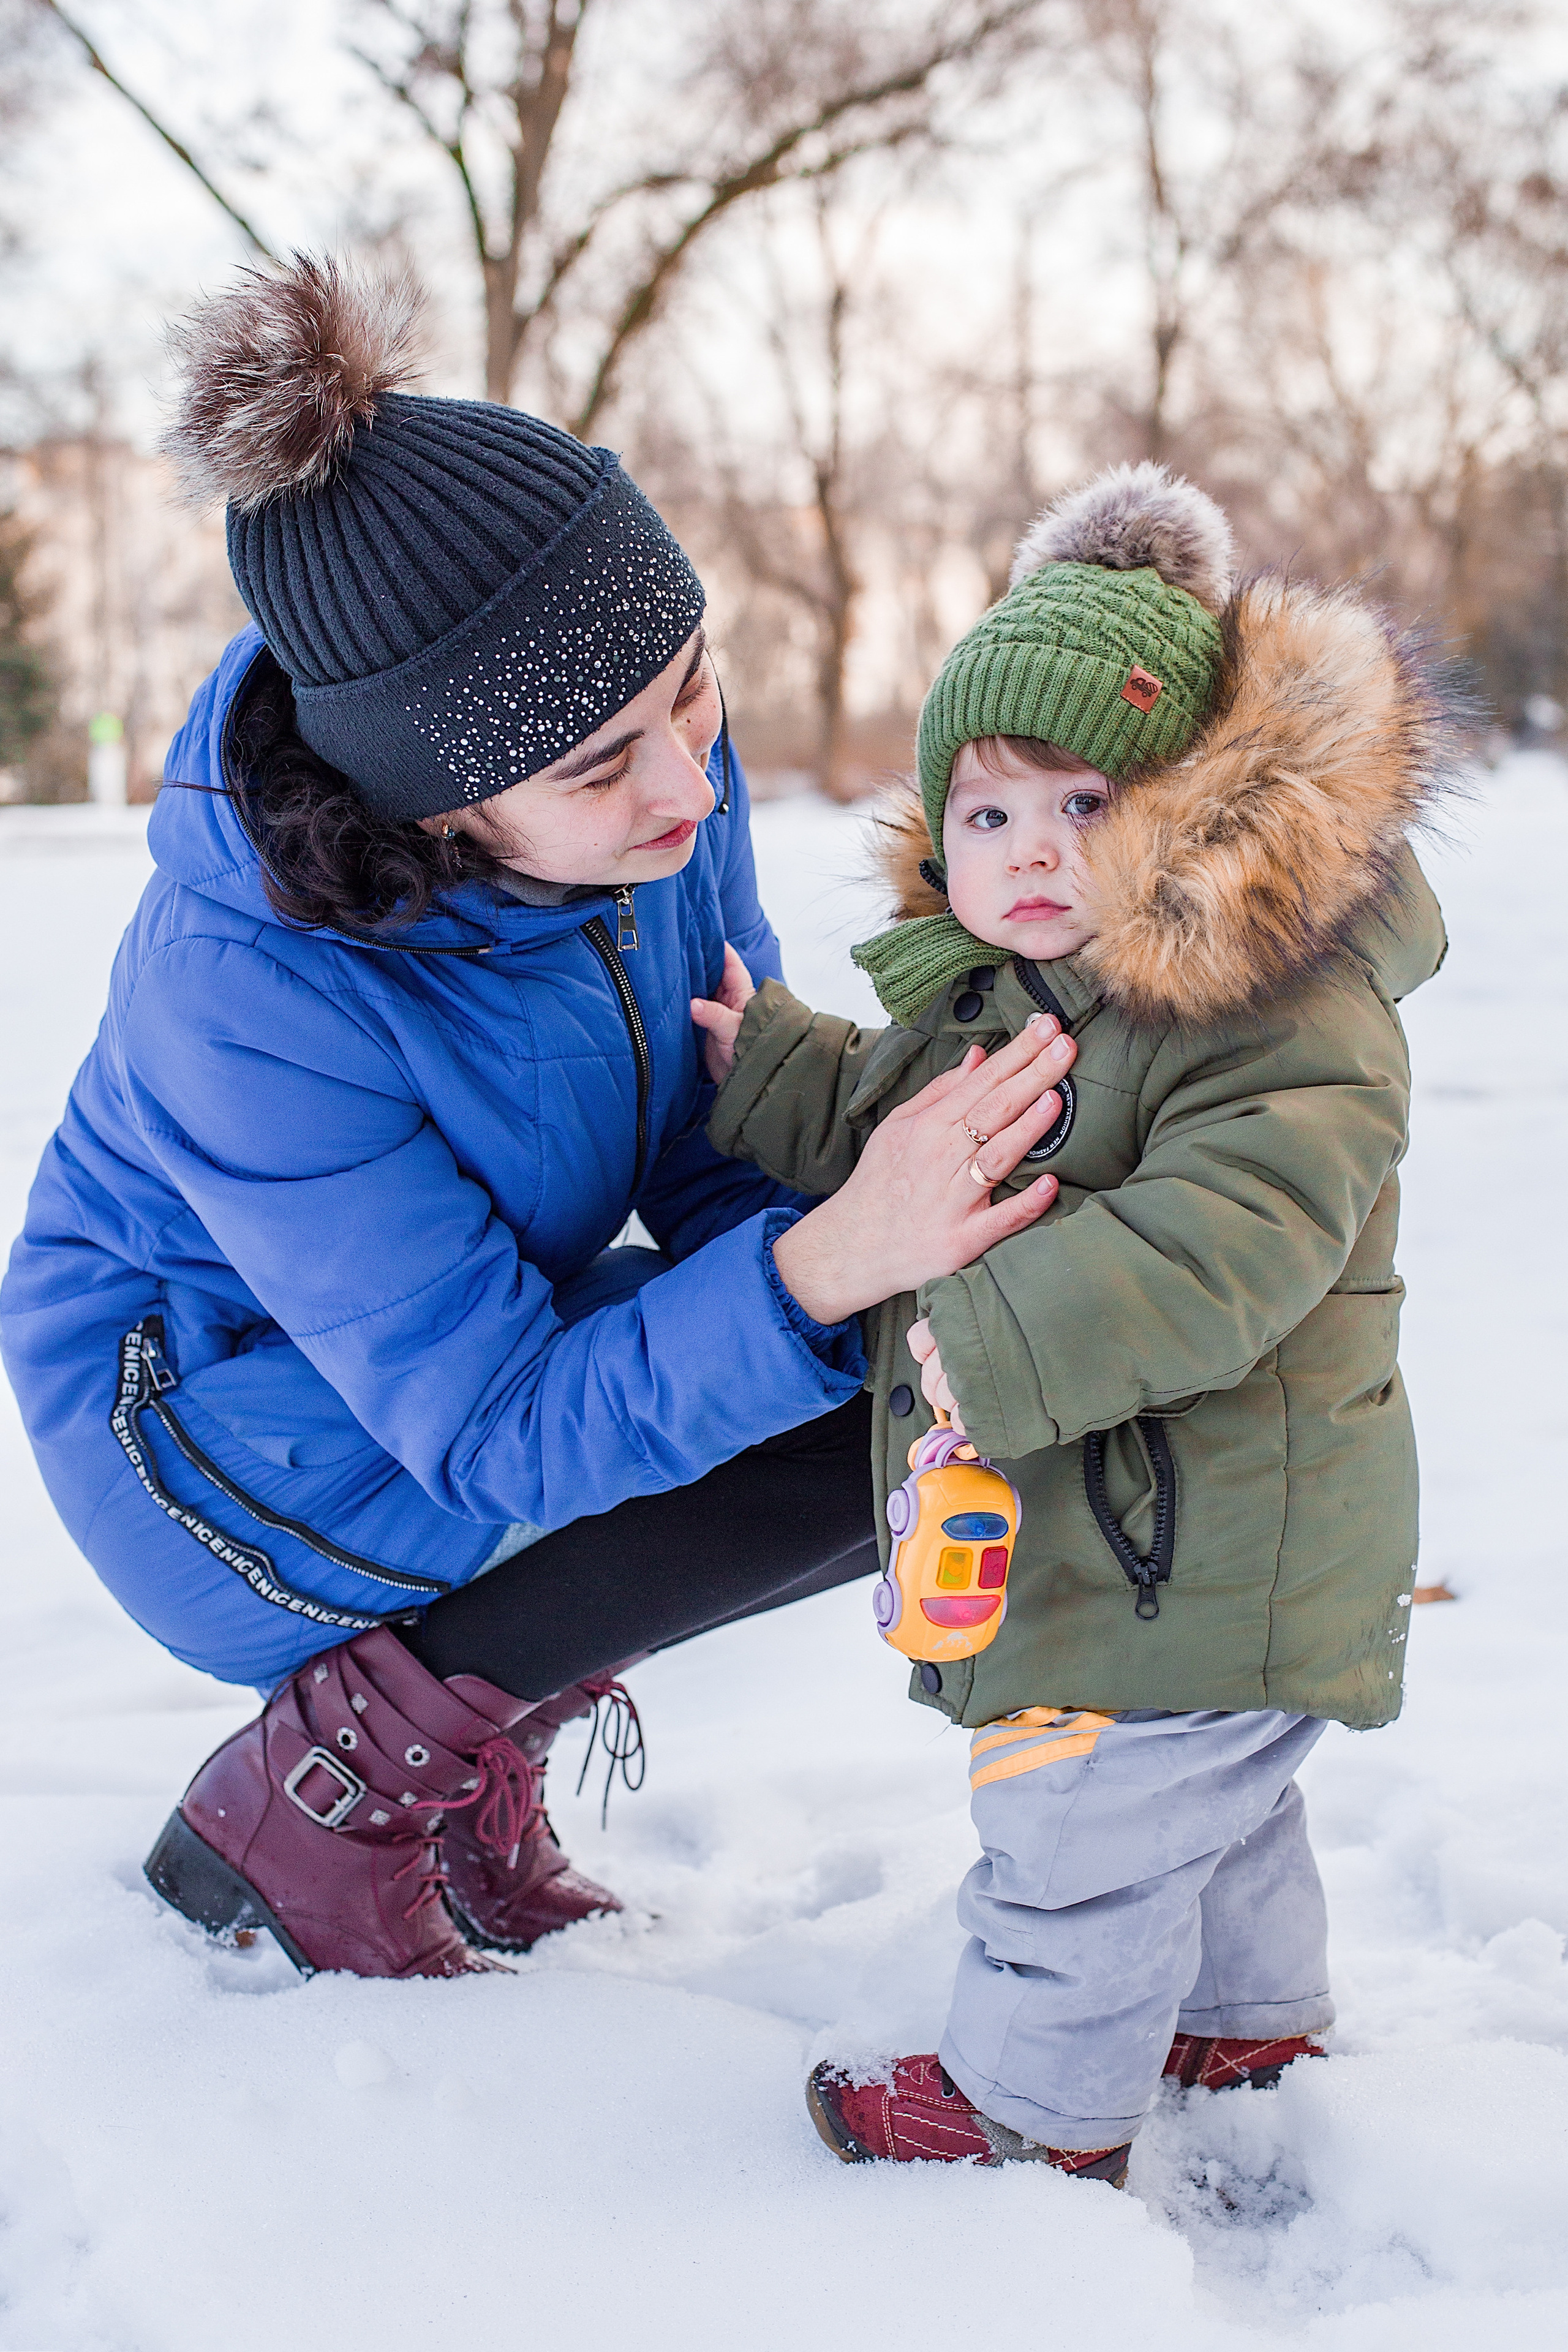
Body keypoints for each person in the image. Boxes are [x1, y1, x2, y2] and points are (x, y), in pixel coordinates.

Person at [0, 255, 1076, 1982]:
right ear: (426, 796)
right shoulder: (247, 990)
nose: (685, 782)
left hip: (448, 1357)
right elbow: (497, 1426)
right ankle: (334, 1788)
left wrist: (887, 1274)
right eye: (598, 763)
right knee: (796, 1383)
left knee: (891, 1405)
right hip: (206, 1439)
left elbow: (718, 1142)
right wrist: (821, 1273)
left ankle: (452, 1739)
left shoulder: (654, 797)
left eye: (692, 695)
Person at [692, 461, 1455, 2184]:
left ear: (1195, 810)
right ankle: (1248, 2010)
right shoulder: (1012, 994)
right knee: (1217, 1801)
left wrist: (1017, 1330)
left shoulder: (1278, 1012)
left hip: (1193, 1541)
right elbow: (909, 1118)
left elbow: (1234, 1233)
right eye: (986, 816)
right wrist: (788, 1073)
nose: (1030, 853)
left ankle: (1034, 2112)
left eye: (1085, 804)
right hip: (1173, 1550)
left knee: (1081, 1824)